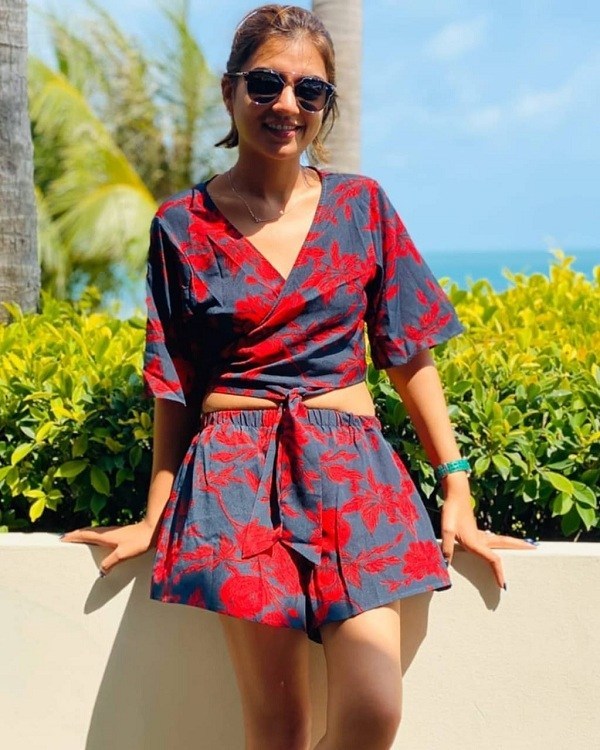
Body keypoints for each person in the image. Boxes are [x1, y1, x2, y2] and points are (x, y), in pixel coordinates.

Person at [62, 5, 537, 749]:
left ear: (325, 105)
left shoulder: (361, 205)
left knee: (374, 707)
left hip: (353, 469)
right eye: (266, 83)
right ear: (230, 91)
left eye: (309, 90)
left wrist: (457, 484)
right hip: (233, 475)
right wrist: (157, 510)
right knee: (279, 729)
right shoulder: (181, 225)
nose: (286, 104)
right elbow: (174, 380)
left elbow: (409, 352)